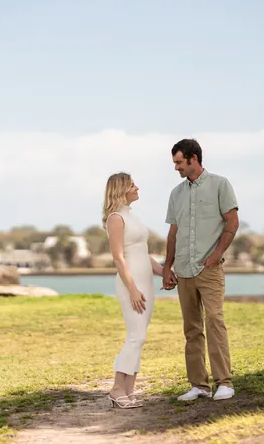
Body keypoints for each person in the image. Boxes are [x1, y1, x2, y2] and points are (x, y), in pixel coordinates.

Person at [162, 138, 239, 401]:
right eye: (175, 163)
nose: (176, 168)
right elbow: (173, 232)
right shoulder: (176, 194)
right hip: (183, 270)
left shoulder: (220, 184)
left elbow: (232, 223)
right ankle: (199, 385)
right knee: (191, 328)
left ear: (194, 159)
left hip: (209, 269)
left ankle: (224, 382)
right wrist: (167, 267)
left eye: (179, 162)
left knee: (215, 320)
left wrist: (216, 255)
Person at [103, 172, 165, 409]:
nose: (137, 187)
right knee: (135, 336)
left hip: (145, 281)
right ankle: (117, 388)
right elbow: (118, 258)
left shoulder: (133, 217)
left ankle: (129, 390)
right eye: (132, 185)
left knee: (140, 337)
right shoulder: (116, 218)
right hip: (131, 284)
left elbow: (142, 253)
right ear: (121, 189)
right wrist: (132, 289)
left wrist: (163, 272)